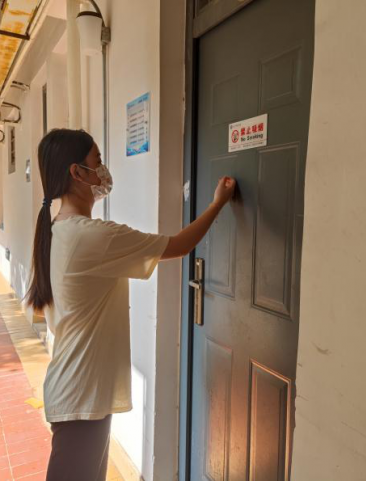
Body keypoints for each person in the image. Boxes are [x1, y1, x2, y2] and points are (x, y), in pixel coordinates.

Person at [25, 129, 236, 481]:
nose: (103, 169)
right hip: (82, 397)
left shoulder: (58, 231)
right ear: (77, 172)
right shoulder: (92, 236)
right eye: (97, 161)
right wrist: (217, 204)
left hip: (78, 391)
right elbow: (179, 246)